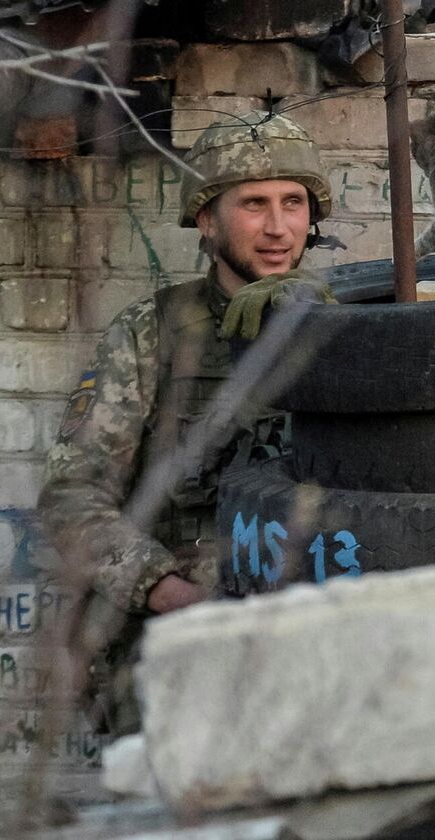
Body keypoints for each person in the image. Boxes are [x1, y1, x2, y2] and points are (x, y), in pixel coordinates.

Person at [38, 112, 335, 733]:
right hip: (184, 647)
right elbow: (72, 500)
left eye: (293, 203)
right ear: (206, 219)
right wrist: (171, 593)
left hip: (316, 643)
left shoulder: (352, 331)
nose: (279, 228)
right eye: (254, 204)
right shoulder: (152, 334)